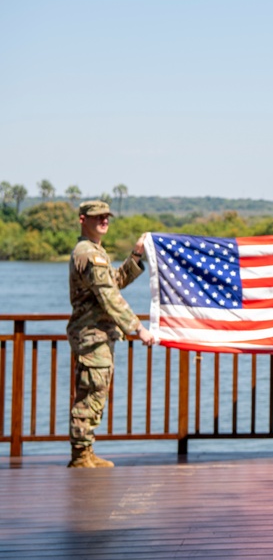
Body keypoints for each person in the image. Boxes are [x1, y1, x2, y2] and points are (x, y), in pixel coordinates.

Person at [66, 200, 156, 468]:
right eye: (97, 217)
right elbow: (109, 298)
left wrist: (137, 255)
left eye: (107, 216)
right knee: (90, 395)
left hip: (98, 337)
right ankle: (80, 456)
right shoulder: (88, 254)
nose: (104, 221)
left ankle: (86, 451)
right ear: (83, 220)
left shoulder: (96, 252)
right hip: (92, 338)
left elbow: (113, 282)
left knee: (96, 393)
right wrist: (138, 328)